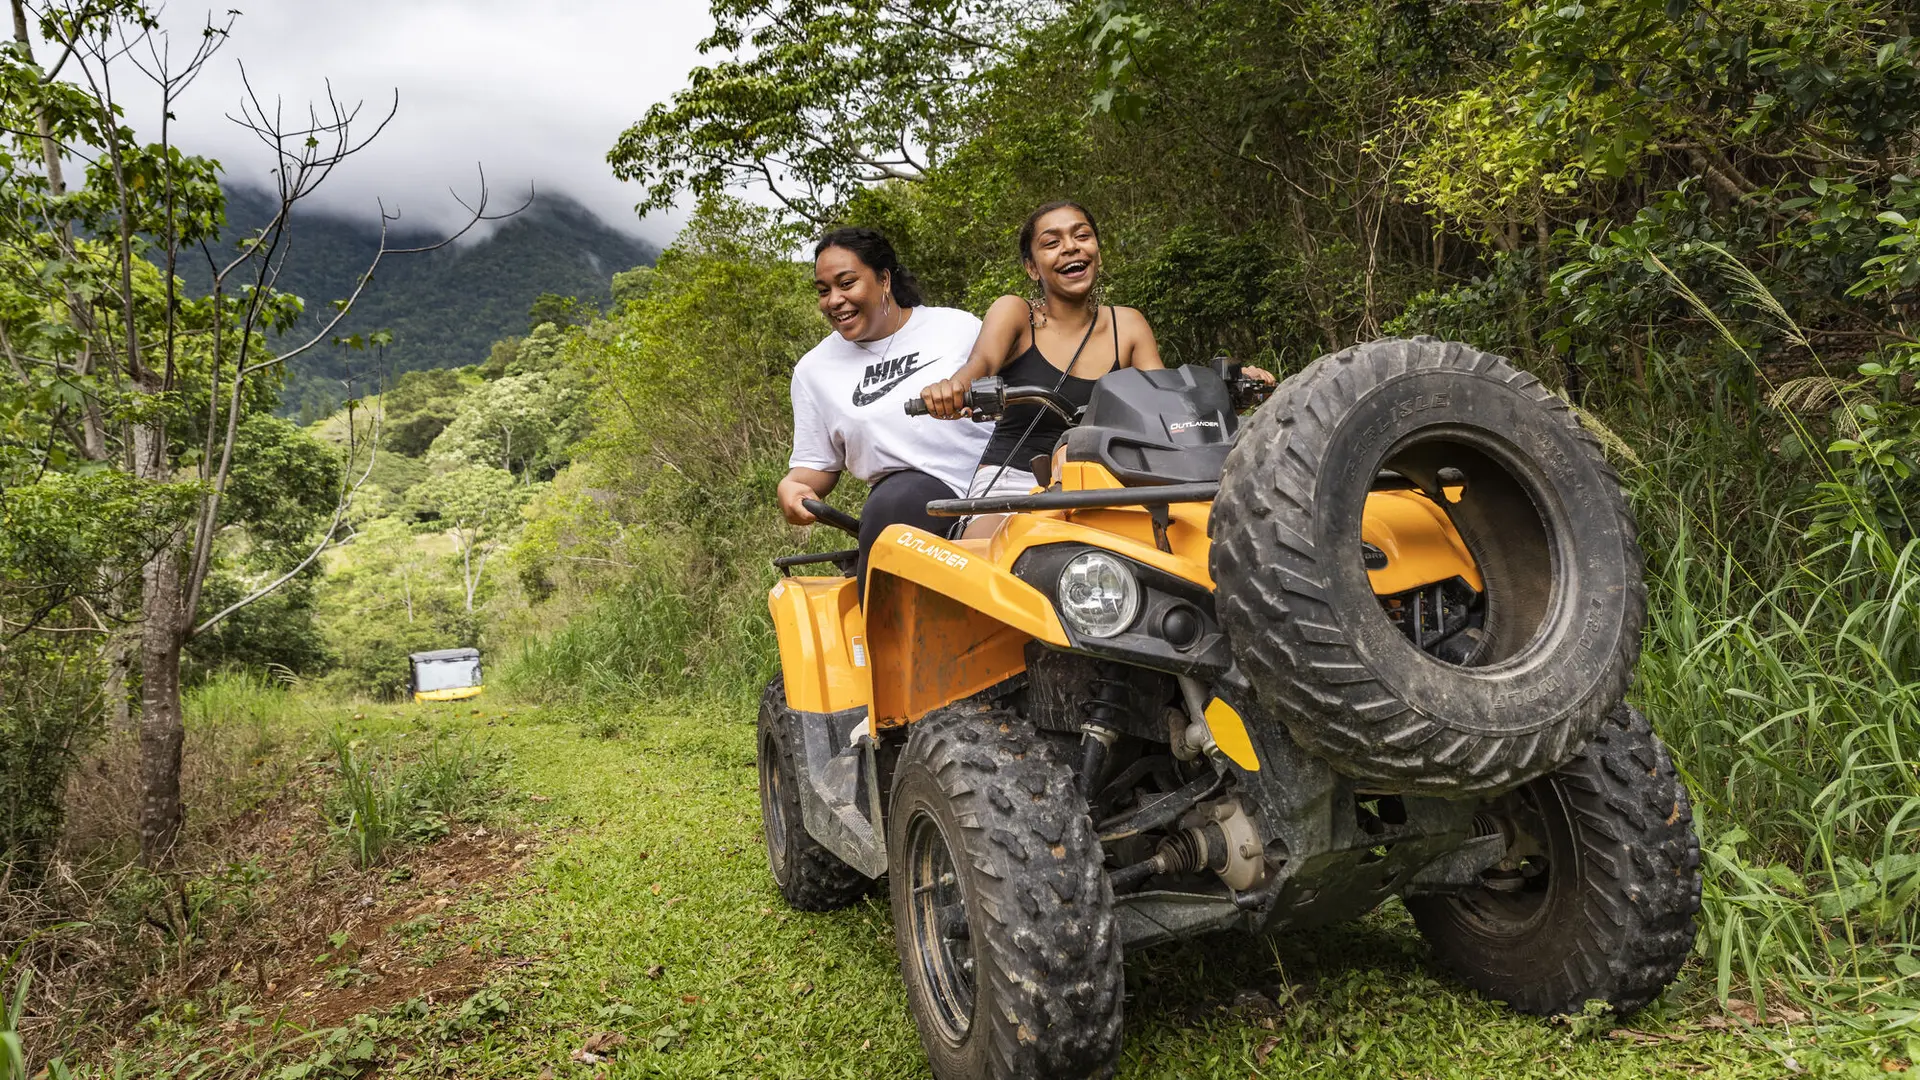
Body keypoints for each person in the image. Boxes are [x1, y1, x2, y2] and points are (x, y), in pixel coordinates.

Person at [917, 200, 1270, 536]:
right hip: (1015, 480)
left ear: (1097, 252)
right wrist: (953, 388)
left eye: (1082, 236)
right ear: (1031, 267)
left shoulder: (1128, 325)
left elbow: (1166, 406)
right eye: (1052, 243)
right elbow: (980, 364)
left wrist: (1221, 398)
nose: (1070, 247)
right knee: (992, 559)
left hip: (1105, 481)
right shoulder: (1016, 314)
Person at [778, 227, 989, 596]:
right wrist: (793, 486)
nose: (834, 300)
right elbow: (816, 464)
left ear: (884, 279)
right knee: (894, 510)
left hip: (995, 482)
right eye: (824, 291)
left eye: (847, 283)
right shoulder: (814, 371)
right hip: (910, 504)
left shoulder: (957, 327)